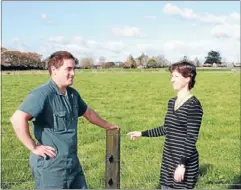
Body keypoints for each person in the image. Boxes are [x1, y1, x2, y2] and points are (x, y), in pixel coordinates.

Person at [10, 51, 120, 189]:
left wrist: (108, 126)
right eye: (68, 69)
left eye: (74, 68)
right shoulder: (42, 94)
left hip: (72, 163)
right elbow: (17, 118)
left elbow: (88, 113)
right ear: (54, 70)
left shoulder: (72, 94)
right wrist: (33, 146)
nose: (73, 73)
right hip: (51, 166)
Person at [127, 61, 203, 189]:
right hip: (168, 159)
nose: (172, 80)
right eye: (171, 76)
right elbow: (166, 129)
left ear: (188, 78)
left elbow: (191, 138)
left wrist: (182, 165)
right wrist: (142, 133)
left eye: (176, 76)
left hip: (184, 163)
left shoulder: (193, 105)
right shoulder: (171, 102)